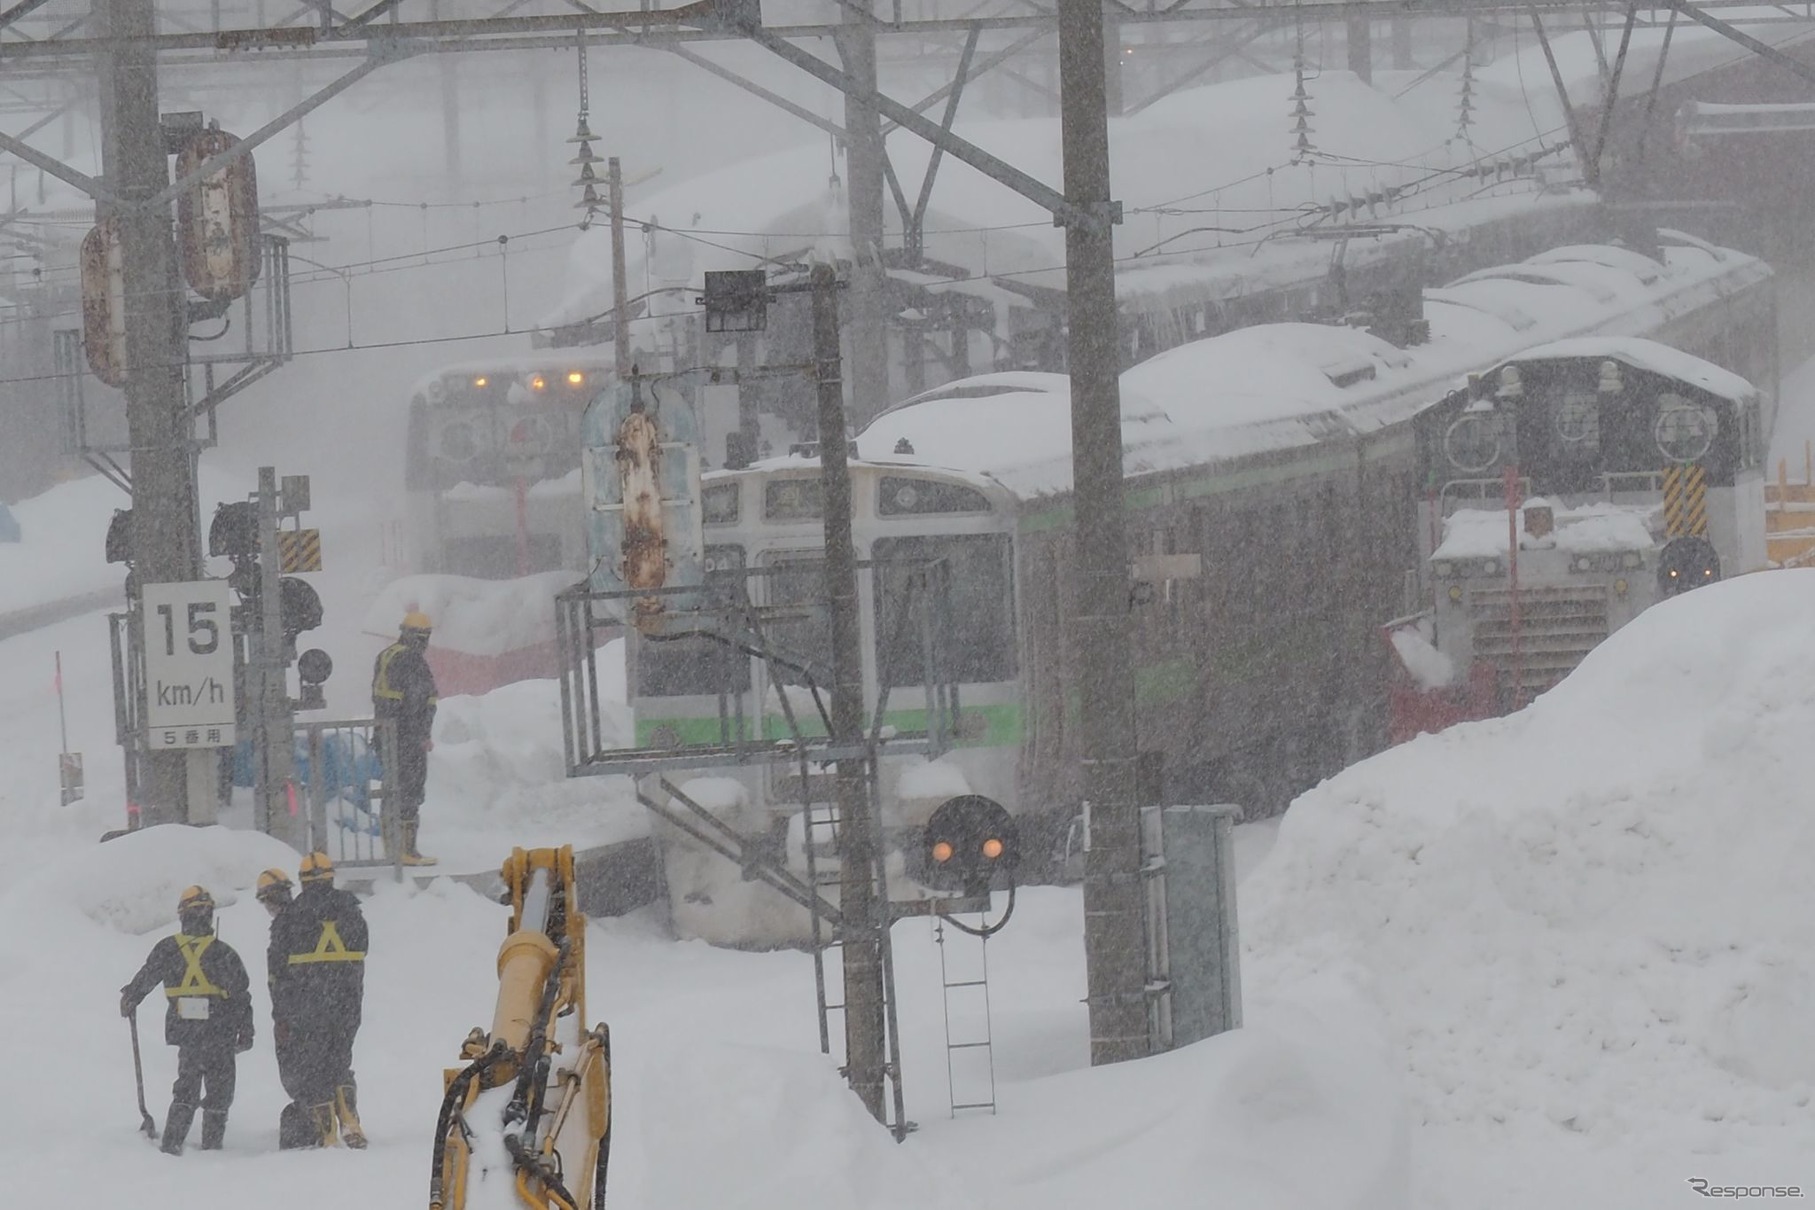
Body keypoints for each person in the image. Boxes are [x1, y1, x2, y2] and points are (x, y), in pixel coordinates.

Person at [120, 885, 254, 1155]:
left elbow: (148, 976)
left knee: (187, 1087)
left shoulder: (168, 949)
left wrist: (131, 997)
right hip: (220, 1030)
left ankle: (173, 1143)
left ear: (183, 915)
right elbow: (241, 995)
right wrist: (245, 1030)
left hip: (188, 1031)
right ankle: (212, 1144)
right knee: (220, 1088)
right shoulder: (223, 953)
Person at [268, 851, 369, 1149]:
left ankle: (327, 1134)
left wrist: (282, 1016)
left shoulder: (289, 918)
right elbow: (362, 947)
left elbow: (278, 975)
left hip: (307, 1006)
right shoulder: (352, 910)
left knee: (314, 1067)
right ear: (331, 877)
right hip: (347, 1002)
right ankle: (351, 1123)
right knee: (340, 1061)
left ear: (302, 882)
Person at [372, 610, 439, 866]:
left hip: (389, 736)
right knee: (408, 791)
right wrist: (421, 734)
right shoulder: (411, 660)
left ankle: (394, 849)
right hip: (405, 739)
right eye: (422, 637)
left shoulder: (387, 655)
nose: (423, 642)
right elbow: (420, 701)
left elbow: (388, 701)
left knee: (393, 791)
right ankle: (406, 851)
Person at [256, 867, 315, 1150]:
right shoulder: (307, 921)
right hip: (314, 1008)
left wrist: (283, 1017)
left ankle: (310, 1117)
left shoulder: (284, 928)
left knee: (296, 1068)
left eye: (267, 900)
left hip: (294, 1012)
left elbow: (280, 978)